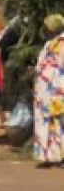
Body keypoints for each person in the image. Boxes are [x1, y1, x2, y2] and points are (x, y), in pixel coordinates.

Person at [32, 13, 64, 167]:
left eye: (46, 27)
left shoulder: (62, 44)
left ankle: (58, 156)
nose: (44, 30)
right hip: (45, 92)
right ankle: (48, 155)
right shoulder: (50, 43)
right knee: (46, 123)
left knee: (57, 123)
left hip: (56, 90)